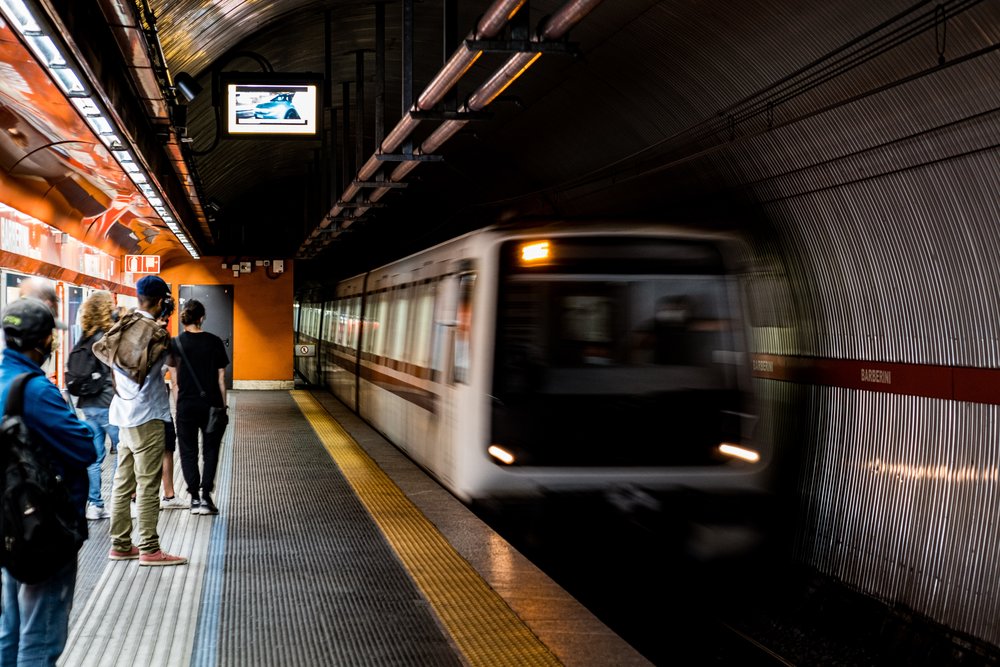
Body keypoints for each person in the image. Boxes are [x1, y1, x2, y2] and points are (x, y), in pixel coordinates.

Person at [0, 297, 96, 664]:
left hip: (8, 522)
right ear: (42, 343)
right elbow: (84, 448)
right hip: (42, 528)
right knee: (40, 635)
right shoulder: (35, 390)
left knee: (9, 627)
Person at [106, 276, 187, 566]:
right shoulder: (156, 333)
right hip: (148, 417)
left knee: (121, 483)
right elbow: (169, 366)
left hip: (121, 416)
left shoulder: (121, 324)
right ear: (161, 300)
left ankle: (120, 544)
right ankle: (150, 549)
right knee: (147, 485)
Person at [168, 299, 229, 515]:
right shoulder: (214, 342)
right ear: (201, 318)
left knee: (188, 451)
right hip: (211, 404)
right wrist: (223, 406)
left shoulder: (175, 343)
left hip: (185, 405)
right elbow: (221, 378)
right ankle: (206, 498)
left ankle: (193, 498)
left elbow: (174, 382)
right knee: (210, 450)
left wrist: (178, 407)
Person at [75, 290, 121, 521]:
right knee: (123, 452)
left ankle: (94, 504)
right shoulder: (106, 337)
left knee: (94, 456)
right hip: (108, 404)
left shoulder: (83, 336)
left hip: (87, 405)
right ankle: (120, 502)